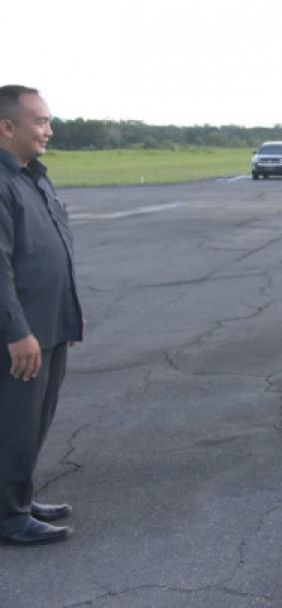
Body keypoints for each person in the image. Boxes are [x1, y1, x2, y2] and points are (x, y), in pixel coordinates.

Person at [0, 85, 83, 546]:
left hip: (51, 324)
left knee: (36, 421)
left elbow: (54, 250)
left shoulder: (34, 175)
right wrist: (17, 332)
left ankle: (18, 496)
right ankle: (9, 518)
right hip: (21, 334)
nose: (48, 131)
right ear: (6, 127)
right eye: (40, 122)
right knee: (13, 424)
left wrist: (71, 313)